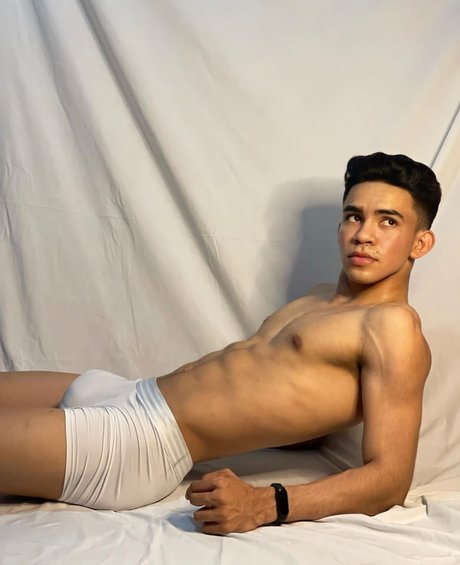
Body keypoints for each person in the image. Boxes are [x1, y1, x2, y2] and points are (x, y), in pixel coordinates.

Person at [0, 152, 441, 535]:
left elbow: (389, 478)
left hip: (138, 443)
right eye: (354, 215)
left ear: (421, 243)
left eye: (388, 221)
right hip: (128, 391)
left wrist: (266, 502)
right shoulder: (319, 296)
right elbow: (288, 398)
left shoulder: (393, 327)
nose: (363, 234)